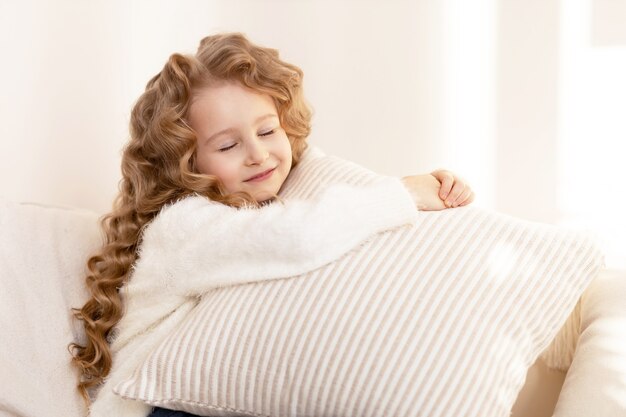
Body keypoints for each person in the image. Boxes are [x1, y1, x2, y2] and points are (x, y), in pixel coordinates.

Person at [70, 32, 475, 417]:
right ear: (186, 162)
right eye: (228, 145)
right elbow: (296, 238)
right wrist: (403, 193)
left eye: (268, 130)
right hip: (155, 408)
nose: (258, 154)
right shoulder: (182, 226)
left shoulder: (279, 198)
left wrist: (434, 191)